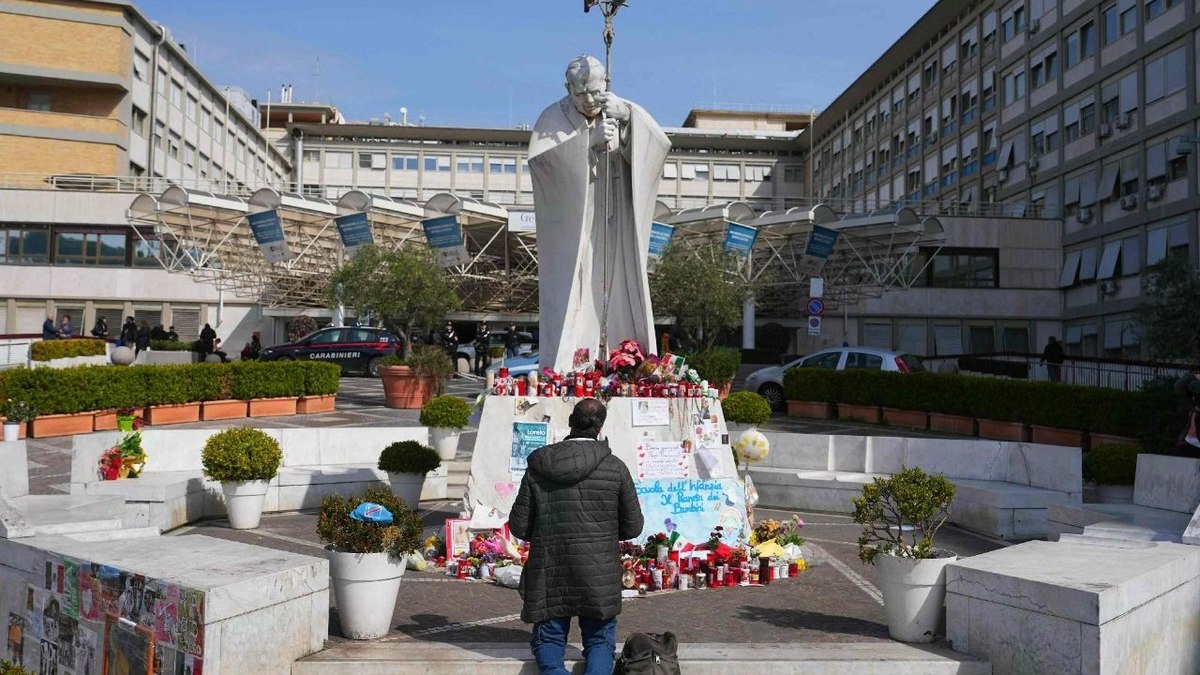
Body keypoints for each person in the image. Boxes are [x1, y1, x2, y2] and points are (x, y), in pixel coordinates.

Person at [529, 55, 670, 373]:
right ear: (568, 88)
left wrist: (630, 120)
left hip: (618, 220)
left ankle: (628, 363)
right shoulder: (552, 119)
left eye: (595, 91)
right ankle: (569, 367)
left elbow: (659, 146)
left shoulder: (621, 108)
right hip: (576, 228)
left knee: (623, 282)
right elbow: (542, 165)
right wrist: (586, 144)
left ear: (605, 84)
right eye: (580, 93)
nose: (590, 100)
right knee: (576, 289)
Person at [508, 398, 644, 675]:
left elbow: (519, 527)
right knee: (599, 641)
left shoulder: (540, 464)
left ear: (571, 422)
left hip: (550, 568)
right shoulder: (615, 468)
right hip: (598, 571)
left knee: (549, 637)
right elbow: (633, 528)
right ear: (600, 427)